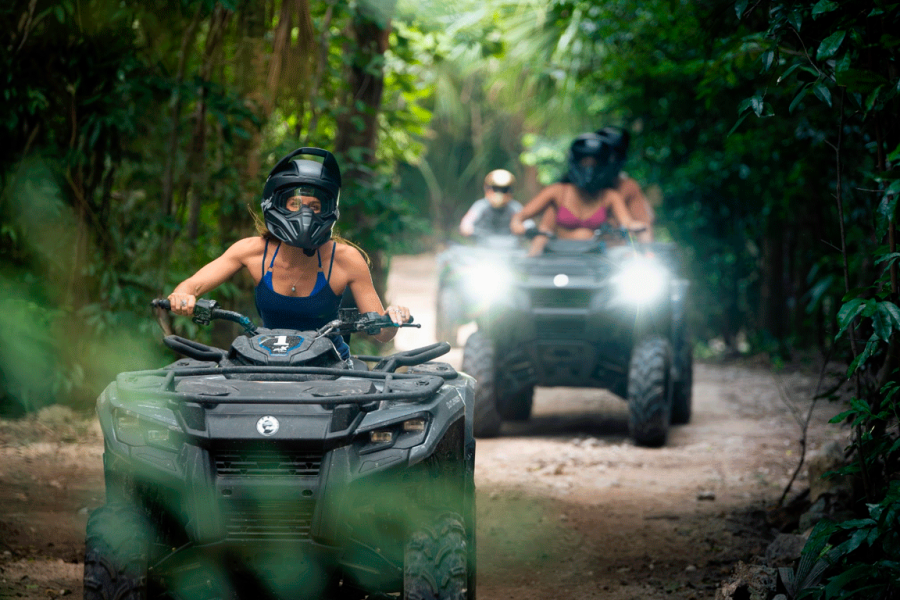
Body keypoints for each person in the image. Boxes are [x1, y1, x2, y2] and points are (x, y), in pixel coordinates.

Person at [167, 147, 411, 361]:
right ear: (276, 203)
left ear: (328, 210)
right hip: (266, 363)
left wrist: (392, 319)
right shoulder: (251, 251)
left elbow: (382, 332)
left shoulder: (346, 259)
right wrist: (183, 296)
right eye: (296, 204)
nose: (305, 214)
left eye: (315, 206)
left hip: (331, 369)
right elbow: (191, 286)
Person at [510, 133, 647, 255]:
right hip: (558, 254)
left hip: (596, 255)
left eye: (594, 163)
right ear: (575, 162)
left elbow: (627, 222)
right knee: (542, 232)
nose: (589, 169)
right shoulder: (557, 191)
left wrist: (634, 226)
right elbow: (520, 216)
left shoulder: (609, 196)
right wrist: (518, 225)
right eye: (585, 162)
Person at [596, 126, 655, 240]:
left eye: (615, 154)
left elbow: (644, 227)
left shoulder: (627, 186)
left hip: (617, 248)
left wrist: (647, 249)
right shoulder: (571, 186)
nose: (610, 159)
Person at [459, 169, 523, 237]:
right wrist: (466, 227)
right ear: (488, 188)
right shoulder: (481, 205)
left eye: (504, 189)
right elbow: (468, 220)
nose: (499, 193)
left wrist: (522, 228)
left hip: (510, 241)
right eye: (496, 189)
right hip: (483, 241)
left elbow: (527, 224)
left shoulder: (515, 207)